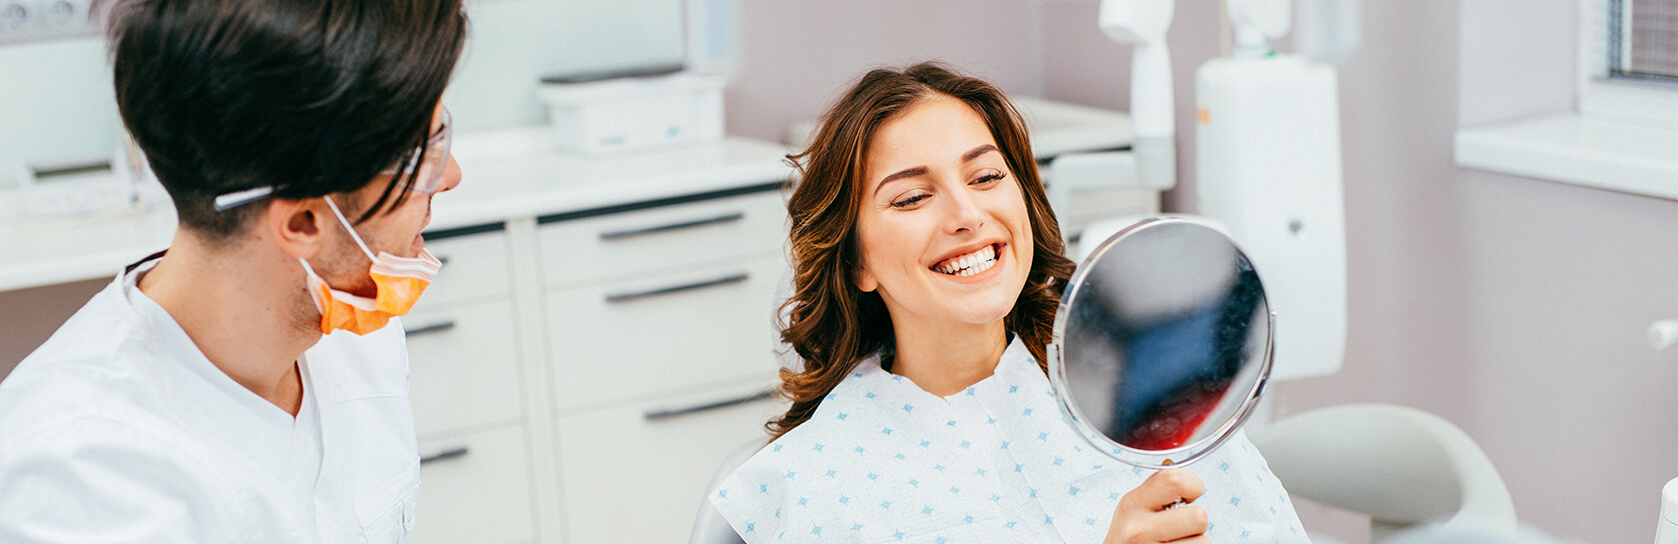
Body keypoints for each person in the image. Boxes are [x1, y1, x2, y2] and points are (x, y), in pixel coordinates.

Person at [710, 63, 1309, 543]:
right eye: (914, 197)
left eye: (987, 178)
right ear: (857, 260)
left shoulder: (1155, 410)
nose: (967, 216)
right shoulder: (811, 485)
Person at [0, 0, 467, 541]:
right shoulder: (83, 479)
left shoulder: (354, 337)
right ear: (304, 222)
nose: (451, 175)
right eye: (421, 157)